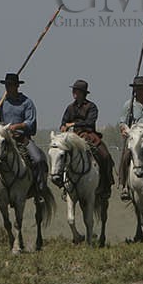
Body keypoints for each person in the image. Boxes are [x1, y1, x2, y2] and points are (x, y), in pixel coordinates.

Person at [0, 72, 48, 207]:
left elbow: (31, 121)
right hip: (4, 140)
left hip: (22, 138)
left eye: (11, 85)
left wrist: (17, 126)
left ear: (17, 86)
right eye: (7, 85)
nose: (8, 87)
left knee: (38, 159)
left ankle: (39, 191)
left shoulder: (26, 102)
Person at [58, 79, 115, 207]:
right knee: (61, 154)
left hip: (89, 135)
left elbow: (90, 123)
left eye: (76, 91)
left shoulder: (92, 107)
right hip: (72, 136)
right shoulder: (70, 107)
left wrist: (73, 124)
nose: (74, 93)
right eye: (73, 90)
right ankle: (64, 184)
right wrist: (63, 127)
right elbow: (64, 121)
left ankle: (106, 184)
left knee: (105, 155)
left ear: (83, 93)